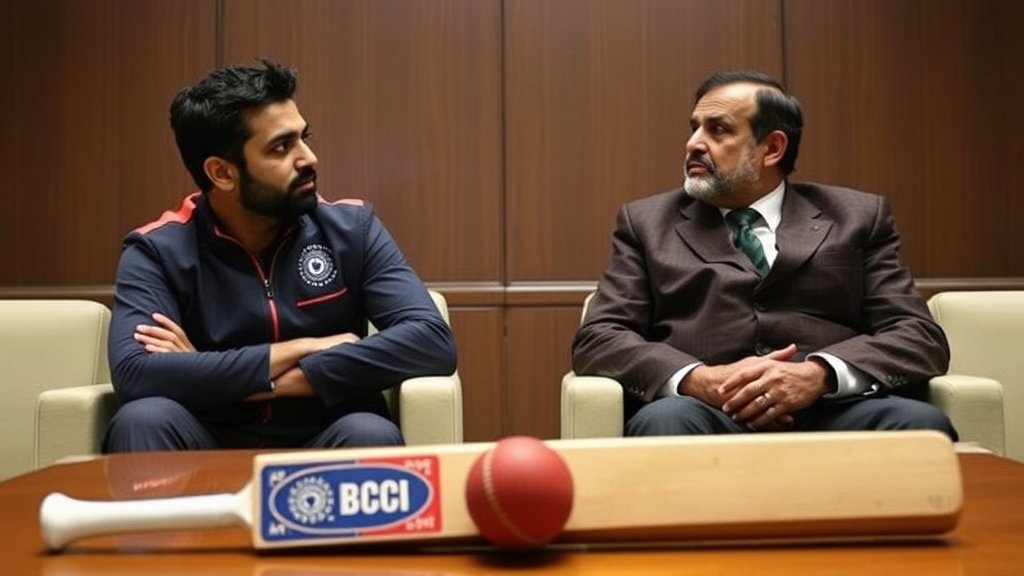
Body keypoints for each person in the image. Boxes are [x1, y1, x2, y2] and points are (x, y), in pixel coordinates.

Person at [571, 70, 956, 439]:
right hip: (705, 412)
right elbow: (600, 337)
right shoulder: (647, 223)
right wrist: (698, 379)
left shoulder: (857, 216)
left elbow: (917, 336)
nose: (693, 144)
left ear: (771, 148)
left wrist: (820, 374)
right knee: (665, 422)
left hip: (836, 409)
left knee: (921, 424)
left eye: (717, 129)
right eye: (695, 128)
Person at [104, 59, 457, 452]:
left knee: (369, 431)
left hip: (325, 428)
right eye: (281, 147)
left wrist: (250, 378)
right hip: (208, 437)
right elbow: (137, 374)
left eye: (304, 138)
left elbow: (431, 342)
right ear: (222, 173)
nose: (308, 158)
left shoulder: (351, 229)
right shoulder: (157, 250)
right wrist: (303, 348)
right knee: (143, 420)